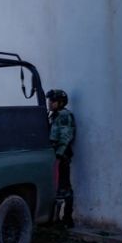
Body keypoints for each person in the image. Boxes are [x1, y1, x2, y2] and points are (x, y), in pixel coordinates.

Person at [47, 89, 76, 227]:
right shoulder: (54, 115)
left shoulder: (64, 115)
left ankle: (67, 218)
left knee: (64, 187)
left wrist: (59, 154)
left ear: (61, 102)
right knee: (57, 187)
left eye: (52, 101)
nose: (50, 103)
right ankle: (56, 219)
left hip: (61, 155)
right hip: (55, 155)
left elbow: (66, 136)